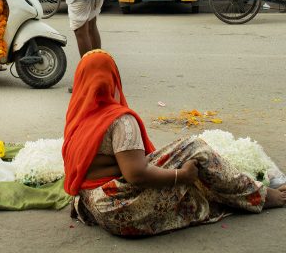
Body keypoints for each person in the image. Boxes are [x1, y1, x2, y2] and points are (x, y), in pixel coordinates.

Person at [62, 49, 286, 237]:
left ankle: (240, 192)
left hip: (93, 206)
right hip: (121, 209)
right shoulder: (120, 121)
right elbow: (135, 174)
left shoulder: (78, 117)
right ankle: (259, 196)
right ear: (114, 79)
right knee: (195, 149)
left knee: (190, 176)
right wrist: (182, 175)